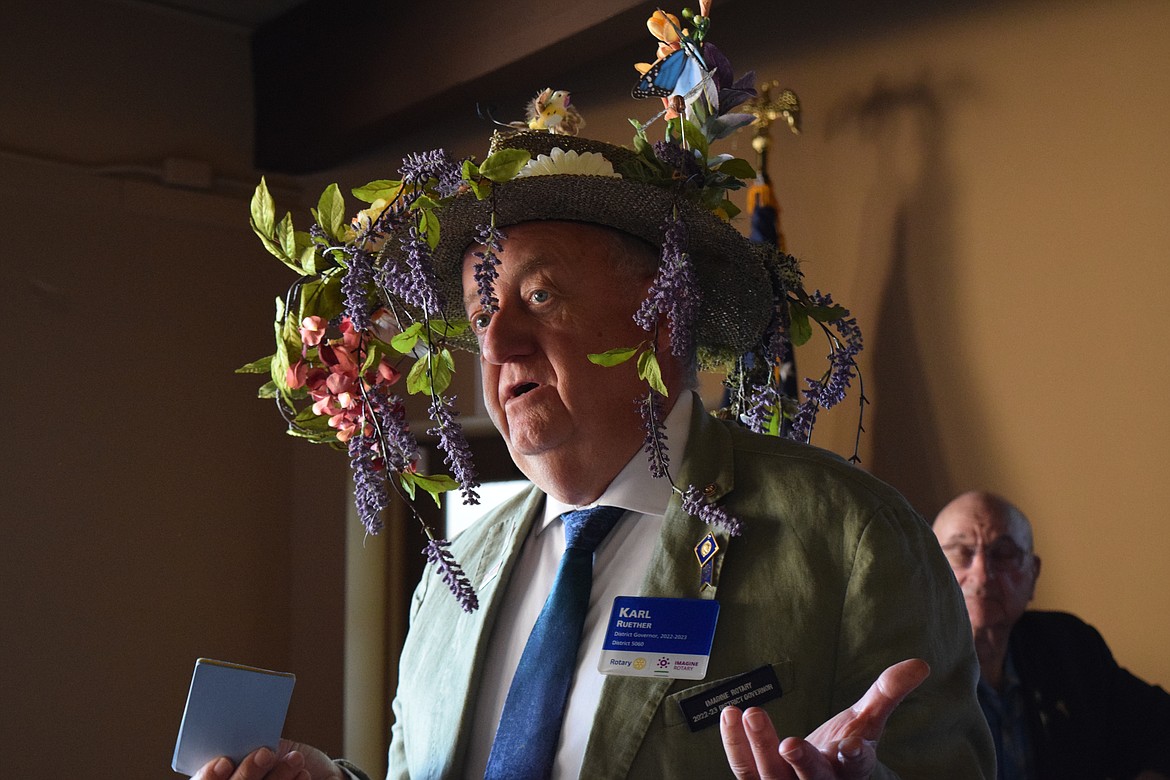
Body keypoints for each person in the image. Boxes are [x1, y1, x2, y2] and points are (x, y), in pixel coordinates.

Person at [203, 9, 994, 778]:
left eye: (540, 298)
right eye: (484, 313)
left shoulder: (852, 540)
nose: (498, 342)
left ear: (659, 320)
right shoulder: (458, 572)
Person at [932, 490, 1170, 780]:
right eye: (960, 554)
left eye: (1004, 554)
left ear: (1033, 574)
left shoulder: (1067, 646)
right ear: (929, 573)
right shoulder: (900, 666)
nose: (982, 574)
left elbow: (1160, 725)